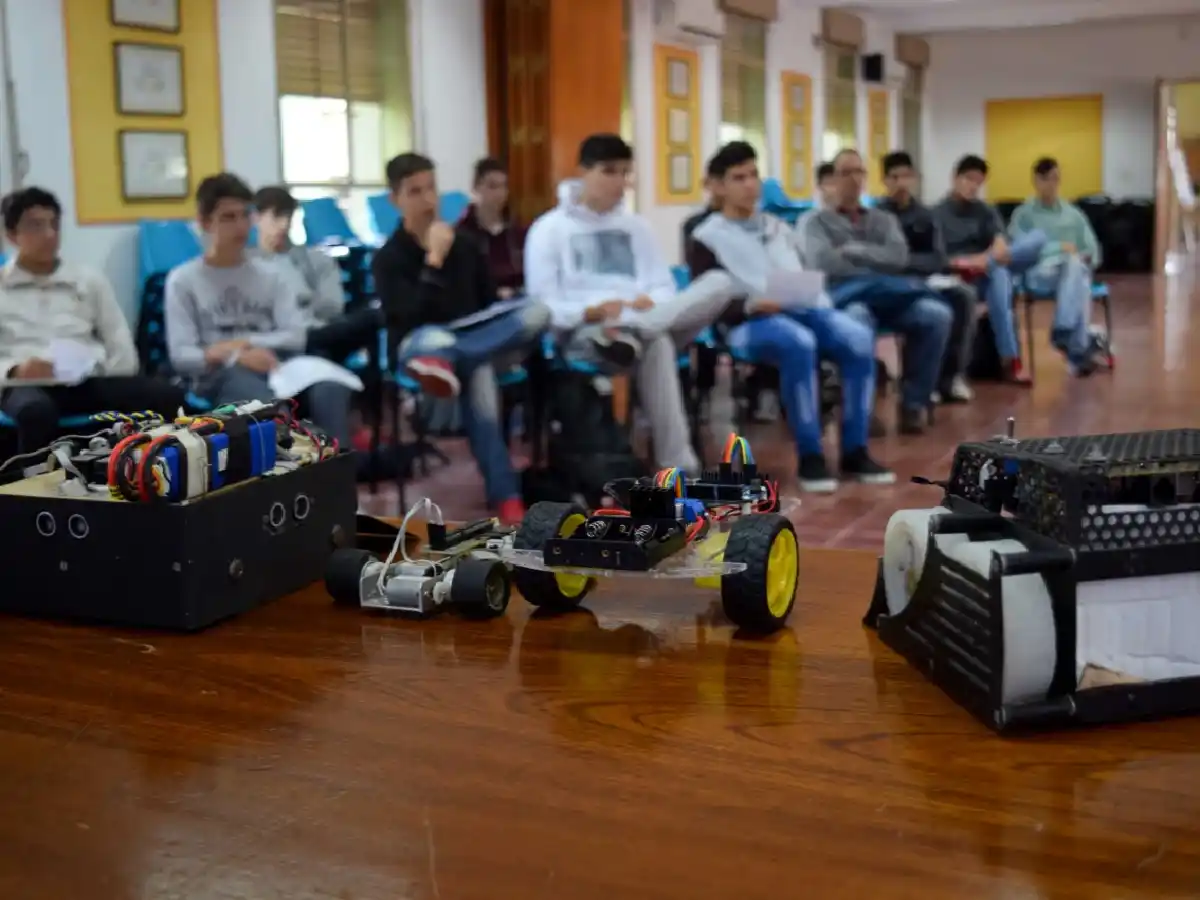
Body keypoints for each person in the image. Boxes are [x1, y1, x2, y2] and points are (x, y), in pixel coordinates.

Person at [524, 133, 739, 473]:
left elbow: (663, 287)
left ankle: (635, 328)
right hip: (588, 335)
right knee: (658, 344)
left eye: (625, 173)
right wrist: (590, 311)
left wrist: (649, 302)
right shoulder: (549, 230)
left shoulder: (637, 227)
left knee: (721, 282)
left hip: (639, 322)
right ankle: (681, 468)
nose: (620, 182)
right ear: (583, 172)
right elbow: (543, 304)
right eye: (609, 172)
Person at [688, 142, 892, 491]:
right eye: (739, 178)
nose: (750, 184)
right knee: (799, 342)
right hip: (748, 324)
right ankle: (811, 455)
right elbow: (707, 300)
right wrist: (752, 304)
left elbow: (805, 272)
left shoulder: (777, 227)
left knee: (858, 338)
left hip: (804, 308)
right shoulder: (706, 237)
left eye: (754, 175)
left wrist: (815, 297)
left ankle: (855, 449)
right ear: (719, 186)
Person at [372, 152, 551, 524]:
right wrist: (434, 260)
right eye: (415, 191)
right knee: (470, 364)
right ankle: (506, 496)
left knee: (538, 310)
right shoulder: (388, 258)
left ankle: (456, 358)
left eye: (432, 189)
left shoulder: (466, 245)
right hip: (419, 346)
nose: (428, 200)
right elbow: (407, 318)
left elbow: (484, 309)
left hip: (461, 343)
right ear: (396, 200)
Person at [164, 173, 353, 446]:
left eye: (245, 215)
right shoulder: (183, 280)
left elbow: (294, 336)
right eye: (228, 218)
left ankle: (338, 477)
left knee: (331, 390)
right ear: (205, 223)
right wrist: (236, 356)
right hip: (218, 378)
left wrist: (244, 344)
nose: (240, 226)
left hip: (277, 367)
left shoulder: (272, 275)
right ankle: (286, 479)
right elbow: (182, 356)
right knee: (263, 404)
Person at [0, 185, 187, 454]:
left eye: (54, 224)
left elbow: (122, 348)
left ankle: (161, 471)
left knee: (167, 396)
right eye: (35, 226)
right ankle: (33, 490)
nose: (49, 234)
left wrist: (95, 365)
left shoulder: (88, 280)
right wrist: (15, 370)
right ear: (11, 234)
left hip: (85, 379)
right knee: (35, 412)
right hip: (25, 385)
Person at [802, 149, 952, 435]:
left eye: (859, 172)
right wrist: (875, 263)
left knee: (937, 315)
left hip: (889, 297)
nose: (854, 179)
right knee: (858, 320)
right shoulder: (817, 223)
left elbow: (899, 257)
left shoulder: (883, 219)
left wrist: (853, 250)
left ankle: (913, 402)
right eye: (846, 172)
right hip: (848, 297)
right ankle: (861, 408)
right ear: (833, 179)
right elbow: (824, 263)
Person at [932, 154, 1045, 384]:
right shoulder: (937, 214)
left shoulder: (984, 210)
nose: (973, 186)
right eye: (968, 179)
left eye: (978, 182)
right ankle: (1010, 359)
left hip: (987, 271)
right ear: (955, 178)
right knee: (1001, 275)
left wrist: (988, 258)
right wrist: (976, 260)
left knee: (1038, 238)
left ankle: (1009, 360)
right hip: (960, 278)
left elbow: (1000, 243)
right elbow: (940, 259)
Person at [877, 151, 975, 405]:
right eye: (894, 177)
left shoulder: (925, 215)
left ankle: (950, 377)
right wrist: (904, 264)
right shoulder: (877, 216)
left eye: (906, 176)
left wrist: (904, 262)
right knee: (925, 310)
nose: (901, 183)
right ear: (885, 181)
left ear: (914, 179)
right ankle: (920, 382)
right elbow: (877, 260)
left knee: (963, 297)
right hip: (894, 285)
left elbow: (938, 258)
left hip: (927, 279)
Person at [251, 185, 383, 364]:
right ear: (256, 218)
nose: (284, 224)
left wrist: (302, 302)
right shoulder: (249, 266)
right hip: (289, 340)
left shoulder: (316, 258)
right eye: (276, 217)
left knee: (373, 317)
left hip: (324, 332)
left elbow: (333, 306)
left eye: (288, 217)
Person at [1007, 157, 1108, 376]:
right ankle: (1073, 342)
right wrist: (1059, 248)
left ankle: (1067, 335)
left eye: (1055, 179)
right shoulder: (1023, 215)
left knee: (1077, 270)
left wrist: (1086, 257)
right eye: (1045, 179)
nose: (1051, 184)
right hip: (1039, 275)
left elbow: (1093, 249)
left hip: (1071, 275)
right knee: (1077, 273)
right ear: (1035, 181)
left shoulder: (1073, 214)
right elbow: (1018, 250)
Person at [455, 158, 527, 298]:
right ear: (476, 187)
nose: (500, 193)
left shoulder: (518, 232)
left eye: (504, 186)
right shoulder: (462, 234)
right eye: (492, 186)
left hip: (518, 300)